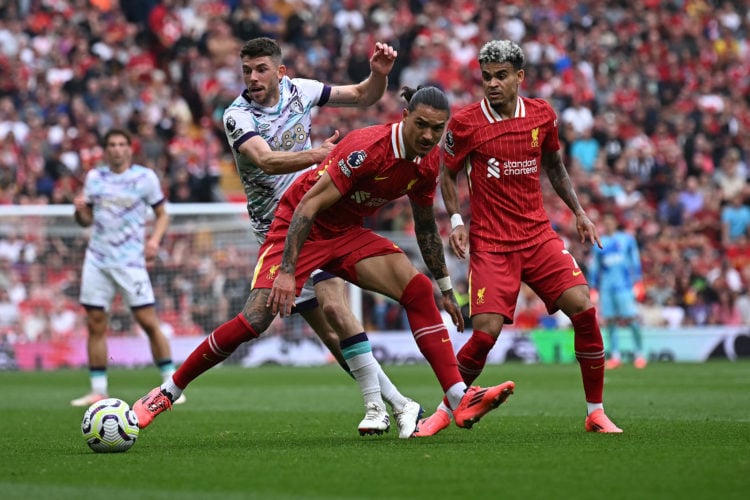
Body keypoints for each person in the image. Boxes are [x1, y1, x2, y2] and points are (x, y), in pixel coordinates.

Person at [133, 86, 515, 438]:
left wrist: (446, 288)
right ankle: (167, 392)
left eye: (437, 128)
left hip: (345, 233)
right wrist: (287, 271)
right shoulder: (367, 148)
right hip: (300, 226)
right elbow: (307, 205)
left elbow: (426, 225)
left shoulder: (427, 163)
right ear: (404, 117)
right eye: (422, 125)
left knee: (417, 289)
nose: (429, 135)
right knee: (255, 319)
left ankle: (458, 396)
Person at [182, 37, 419, 437]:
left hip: (315, 219)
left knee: (335, 308)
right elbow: (265, 160)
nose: (252, 78)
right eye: (246, 71)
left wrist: (378, 74)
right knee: (330, 336)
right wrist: (318, 155)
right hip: (275, 232)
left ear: (280, 71)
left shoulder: (302, 91)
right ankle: (400, 403)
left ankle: (377, 407)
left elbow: (363, 95)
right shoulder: (237, 115)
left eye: (261, 69)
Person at [418, 40, 621, 436]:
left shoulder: (542, 115)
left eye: (501, 76)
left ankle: (595, 413)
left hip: (538, 236)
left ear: (519, 77)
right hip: (491, 243)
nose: (492, 84)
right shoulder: (466, 123)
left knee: (583, 308)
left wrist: (579, 212)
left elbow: (555, 166)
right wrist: (456, 221)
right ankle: (444, 411)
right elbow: (447, 173)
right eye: (487, 77)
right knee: (485, 334)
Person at [70, 128, 185, 407]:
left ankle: (171, 386)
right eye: (112, 144)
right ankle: (98, 390)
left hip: (131, 261)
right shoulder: (95, 178)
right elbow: (85, 221)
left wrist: (154, 241)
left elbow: (162, 214)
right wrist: (79, 211)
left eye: (122, 144)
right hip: (98, 260)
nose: (117, 149)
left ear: (130, 149)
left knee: (148, 321)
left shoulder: (145, 178)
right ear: (105, 150)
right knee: (95, 323)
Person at [589, 212, 647, 369]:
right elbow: (595, 266)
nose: (608, 225)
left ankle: (639, 354)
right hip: (606, 287)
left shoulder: (627, 240)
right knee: (610, 321)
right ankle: (615, 355)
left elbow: (635, 260)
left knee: (632, 319)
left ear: (615, 223)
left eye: (610, 222)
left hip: (624, 286)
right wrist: (593, 287)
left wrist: (638, 281)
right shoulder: (599, 242)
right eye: (605, 222)